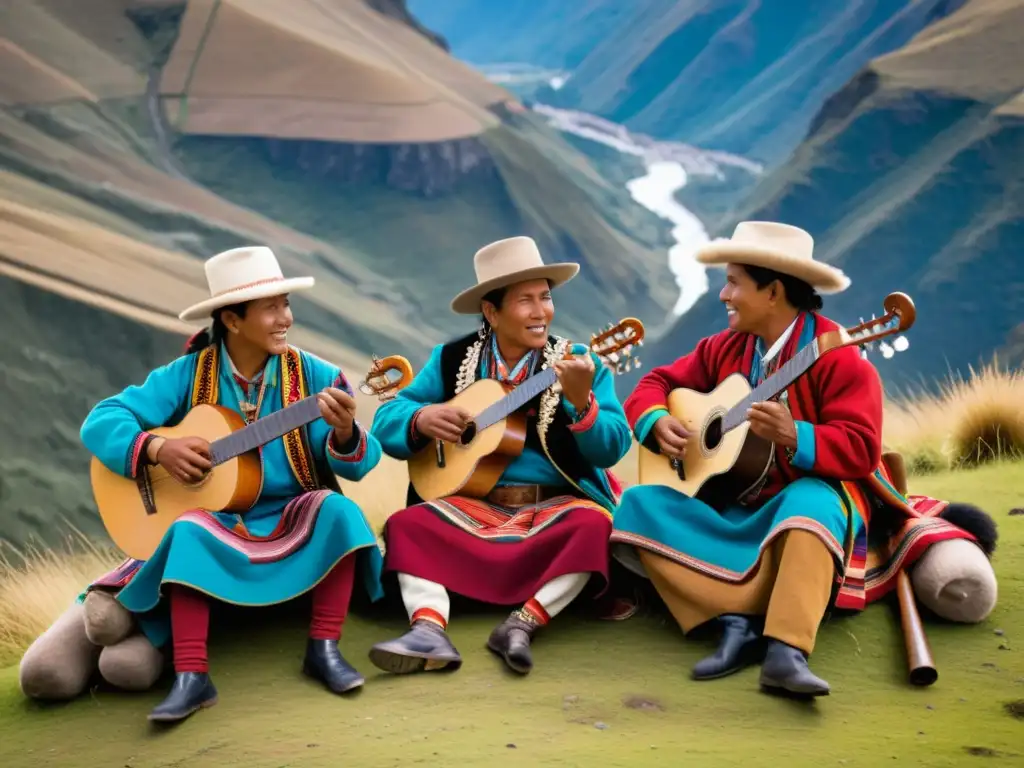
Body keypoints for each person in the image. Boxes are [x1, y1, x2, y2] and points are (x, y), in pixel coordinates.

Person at [78, 245, 385, 722]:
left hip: (289, 519)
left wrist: (345, 432)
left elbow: (359, 466)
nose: (285, 317)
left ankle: (323, 648)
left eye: (286, 303)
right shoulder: (186, 375)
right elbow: (101, 420)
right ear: (232, 320)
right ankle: (191, 676)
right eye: (271, 307)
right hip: (215, 520)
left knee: (338, 510)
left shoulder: (319, 377)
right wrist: (158, 449)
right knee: (186, 528)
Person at [611, 221, 895, 697]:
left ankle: (786, 648)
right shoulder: (725, 348)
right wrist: (656, 421)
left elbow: (863, 449)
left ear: (774, 291)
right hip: (731, 509)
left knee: (812, 501)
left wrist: (796, 435)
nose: (724, 295)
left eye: (734, 282)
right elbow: (653, 383)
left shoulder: (841, 357)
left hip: (793, 516)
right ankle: (736, 620)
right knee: (637, 505)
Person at [367, 236, 632, 675]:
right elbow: (386, 422)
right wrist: (421, 418)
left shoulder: (582, 363)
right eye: (525, 300)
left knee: (593, 526)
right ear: (491, 312)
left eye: (545, 297)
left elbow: (612, 446)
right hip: (470, 507)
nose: (540, 311)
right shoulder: (452, 359)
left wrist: (582, 403)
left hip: (554, 510)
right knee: (406, 524)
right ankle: (428, 629)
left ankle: (523, 623)